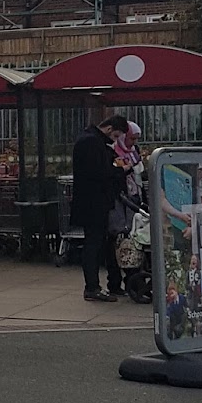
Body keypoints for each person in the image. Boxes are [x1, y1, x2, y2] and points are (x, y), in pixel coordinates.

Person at [70, 114, 124, 302]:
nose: (114, 141)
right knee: (93, 244)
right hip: (93, 204)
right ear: (109, 129)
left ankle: (102, 285)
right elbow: (98, 172)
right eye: (115, 136)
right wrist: (120, 171)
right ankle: (92, 286)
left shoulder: (90, 140)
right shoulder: (91, 142)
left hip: (92, 203)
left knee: (98, 243)